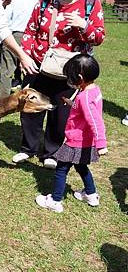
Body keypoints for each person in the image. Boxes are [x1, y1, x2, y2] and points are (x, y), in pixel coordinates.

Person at [13, 0, 105, 169]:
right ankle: (27, 148)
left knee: (60, 111)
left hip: (70, 71)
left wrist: (84, 26)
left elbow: (99, 37)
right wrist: (24, 56)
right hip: (38, 63)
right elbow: (30, 30)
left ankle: (51, 152)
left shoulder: (90, 2)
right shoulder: (46, 0)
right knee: (30, 108)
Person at [35, 54, 107, 213]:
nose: (69, 80)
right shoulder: (94, 90)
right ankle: (91, 194)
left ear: (80, 77)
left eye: (70, 77)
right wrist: (72, 104)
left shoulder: (84, 97)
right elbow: (86, 110)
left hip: (75, 142)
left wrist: (101, 144)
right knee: (82, 167)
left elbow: (95, 120)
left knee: (61, 170)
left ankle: (55, 200)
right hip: (85, 141)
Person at [0, 0, 44, 97]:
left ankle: (4, 102)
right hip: (35, 35)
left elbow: (5, 17)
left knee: (7, 71)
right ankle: (29, 98)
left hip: (14, 34)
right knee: (31, 70)